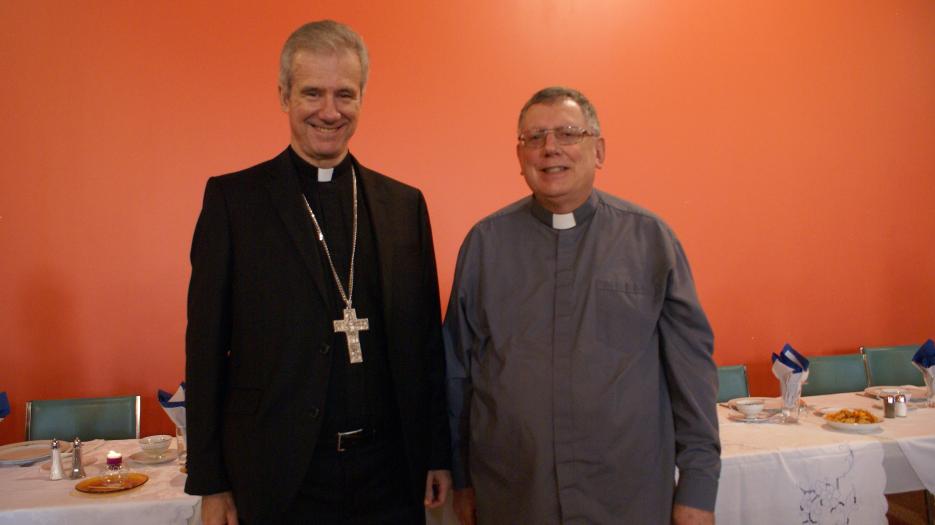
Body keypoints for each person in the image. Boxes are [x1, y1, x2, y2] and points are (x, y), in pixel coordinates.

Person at [184, 20, 450, 525]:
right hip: (279, 476)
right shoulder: (233, 202)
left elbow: (425, 346)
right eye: (312, 93)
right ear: (284, 95)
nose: (329, 112)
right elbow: (204, 351)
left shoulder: (403, 205)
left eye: (344, 94)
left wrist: (437, 451)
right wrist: (210, 479)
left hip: (389, 475)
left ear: (362, 98)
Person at [444, 86, 720, 525]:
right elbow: (457, 372)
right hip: (514, 495)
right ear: (519, 157)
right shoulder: (484, 245)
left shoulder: (651, 241)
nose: (550, 148)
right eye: (534, 138)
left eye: (568, 133)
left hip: (627, 496)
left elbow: (693, 377)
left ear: (599, 150)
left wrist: (698, 490)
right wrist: (461, 478)